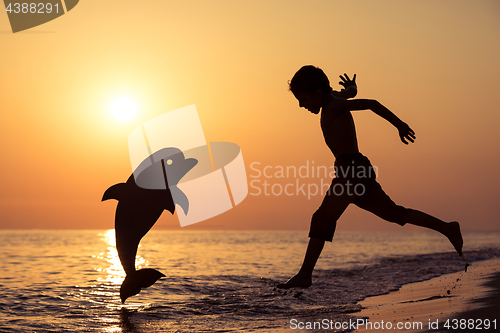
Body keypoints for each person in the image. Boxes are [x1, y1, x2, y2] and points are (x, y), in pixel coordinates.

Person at [277, 65, 463, 289]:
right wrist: (352, 86)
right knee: (395, 213)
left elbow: (371, 104)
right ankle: (448, 228)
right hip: (355, 171)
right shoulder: (335, 97)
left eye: (302, 99)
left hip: (352, 172)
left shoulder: (334, 104)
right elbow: (352, 93)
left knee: (323, 218)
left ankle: (305, 275)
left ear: (317, 93)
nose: (301, 105)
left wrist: (399, 125)